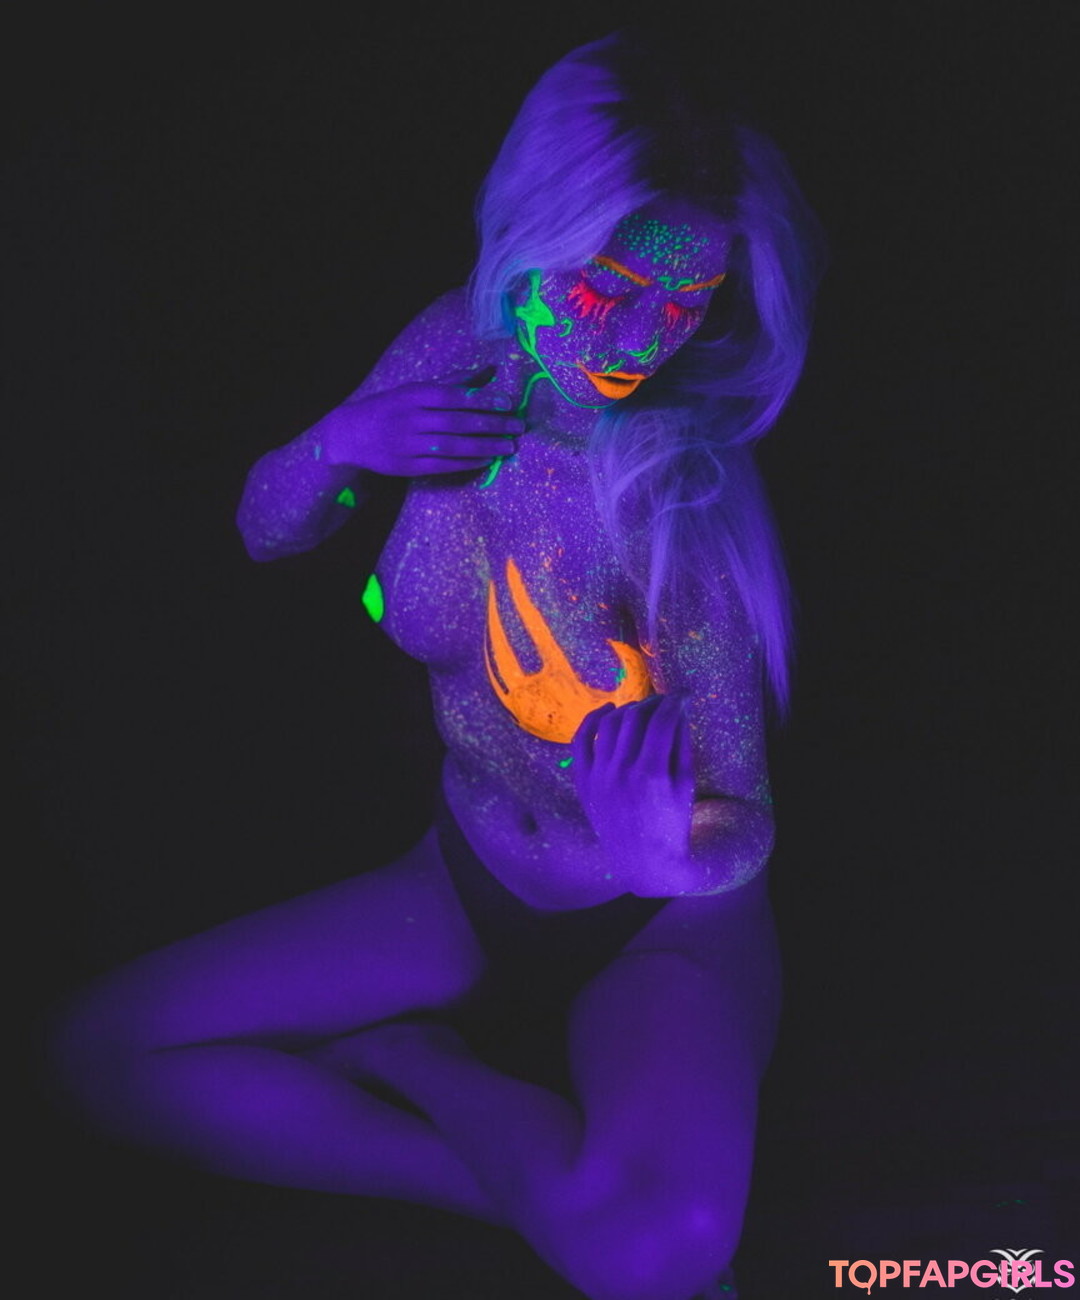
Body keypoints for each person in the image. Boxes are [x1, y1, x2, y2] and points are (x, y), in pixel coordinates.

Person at [51, 32, 824, 1300]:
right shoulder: (451, 349)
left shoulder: (681, 495)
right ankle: (532, 1189)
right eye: (608, 287)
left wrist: (668, 858)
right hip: (461, 884)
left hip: (659, 925)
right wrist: (343, 442)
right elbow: (264, 529)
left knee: (662, 1250)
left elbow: (745, 814)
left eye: (685, 302)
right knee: (95, 1055)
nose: (643, 336)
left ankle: (422, 1067)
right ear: (535, 232)